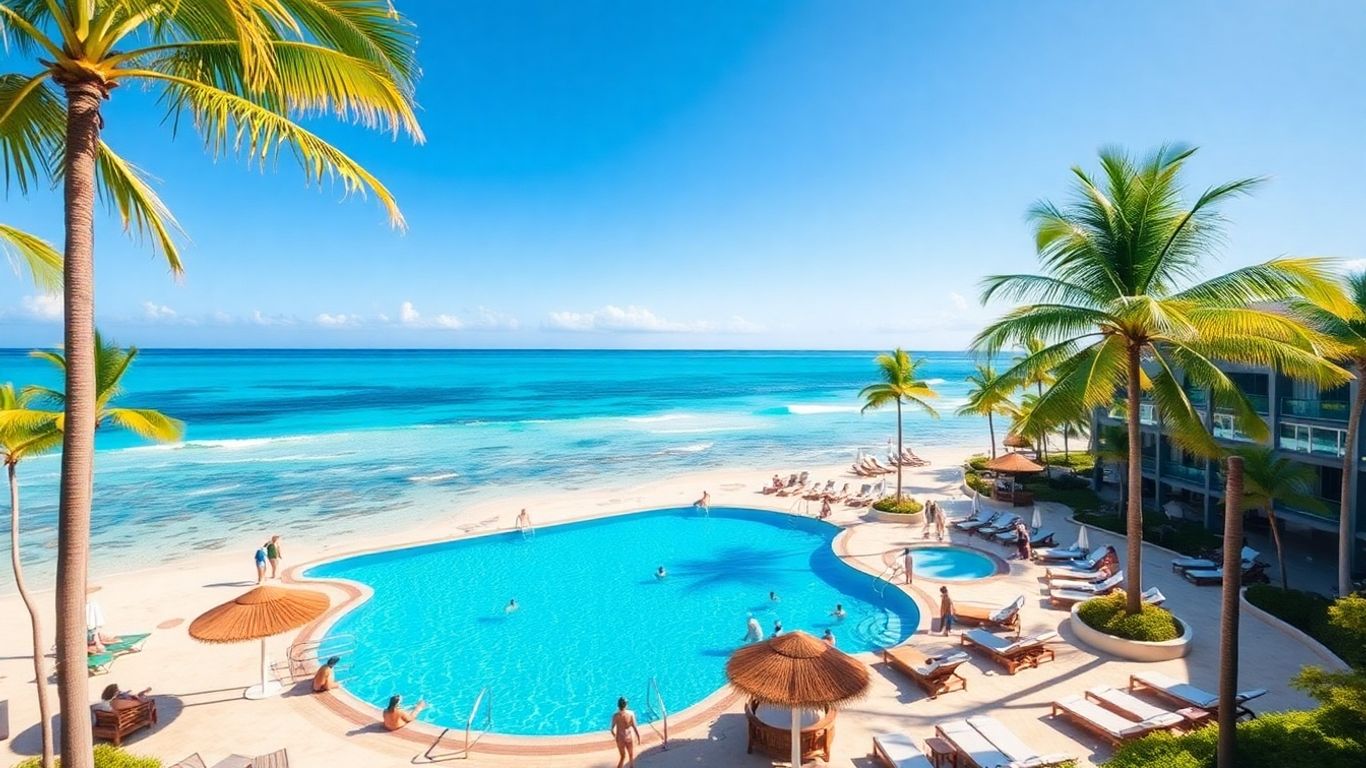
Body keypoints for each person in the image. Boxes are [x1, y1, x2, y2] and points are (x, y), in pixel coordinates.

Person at [610, 696, 642, 768]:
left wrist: (615, 736)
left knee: (622, 757)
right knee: (631, 756)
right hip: (629, 737)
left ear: (618, 705)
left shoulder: (615, 716)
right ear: (626, 705)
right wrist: (638, 737)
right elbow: (634, 727)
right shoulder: (631, 714)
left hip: (620, 738)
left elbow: (612, 729)